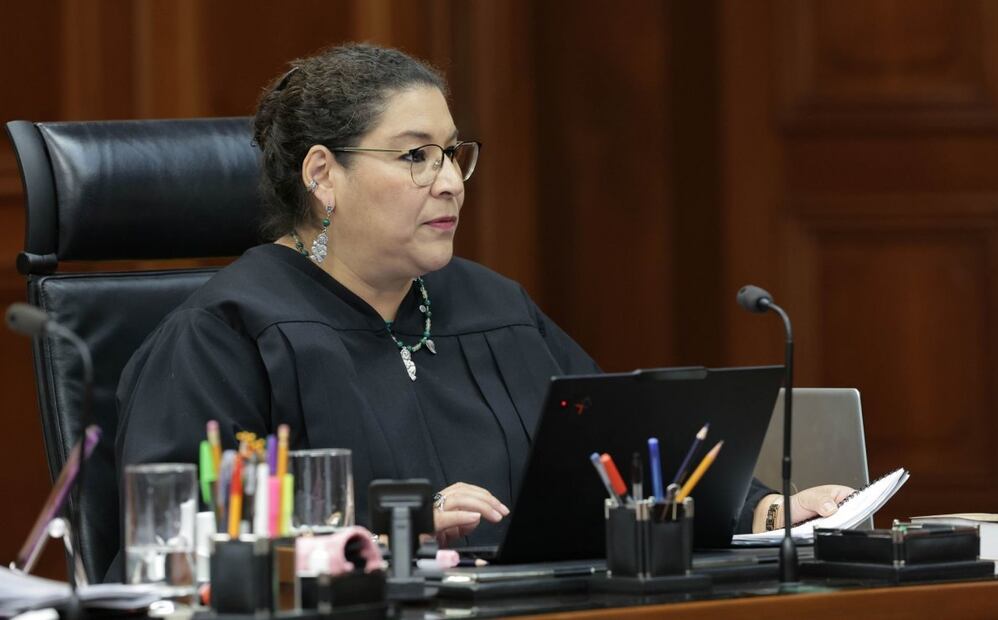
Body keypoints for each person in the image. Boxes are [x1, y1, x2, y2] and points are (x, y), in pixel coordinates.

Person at [114, 44, 850, 561]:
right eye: (414, 156)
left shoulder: (490, 305)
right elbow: (183, 533)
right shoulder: (228, 333)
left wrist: (761, 507)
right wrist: (400, 525)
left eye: (452, 152)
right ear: (322, 175)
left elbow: (619, 452)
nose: (450, 182)